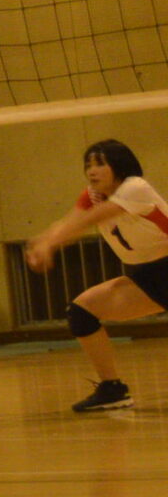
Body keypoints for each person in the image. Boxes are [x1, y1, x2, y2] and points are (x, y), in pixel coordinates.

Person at [26, 139, 168, 413]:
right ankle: (112, 389)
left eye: (100, 163)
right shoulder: (92, 195)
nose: (92, 170)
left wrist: (49, 243)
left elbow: (89, 220)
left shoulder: (135, 187)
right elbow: (71, 221)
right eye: (88, 165)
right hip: (148, 276)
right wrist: (44, 240)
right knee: (82, 312)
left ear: (119, 164)